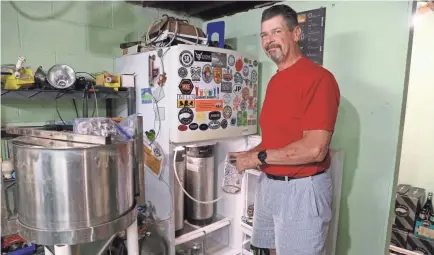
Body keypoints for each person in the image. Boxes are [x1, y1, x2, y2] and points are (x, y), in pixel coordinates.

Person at [230, 4, 341, 255]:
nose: (269, 41)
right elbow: (273, 141)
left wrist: (256, 157)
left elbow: (315, 149)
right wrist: (245, 156)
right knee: (269, 249)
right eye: (264, 35)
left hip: (302, 189)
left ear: (296, 33)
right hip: (270, 185)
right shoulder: (275, 81)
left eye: (276, 32)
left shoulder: (320, 79)